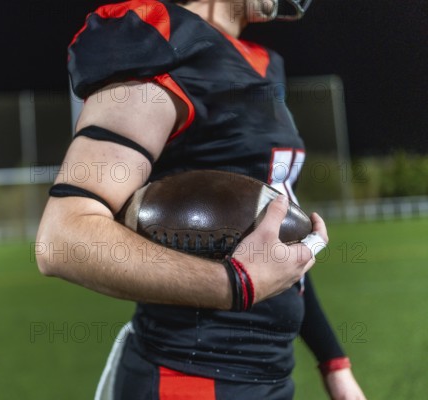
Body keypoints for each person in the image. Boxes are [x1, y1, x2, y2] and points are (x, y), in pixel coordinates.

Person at [36, 0, 366, 398]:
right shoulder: (164, 39)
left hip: (269, 373)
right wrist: (233, 284)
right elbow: (62, 238)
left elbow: (271, 247)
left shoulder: (265, 64)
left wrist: (334, 364)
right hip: (191, 374)